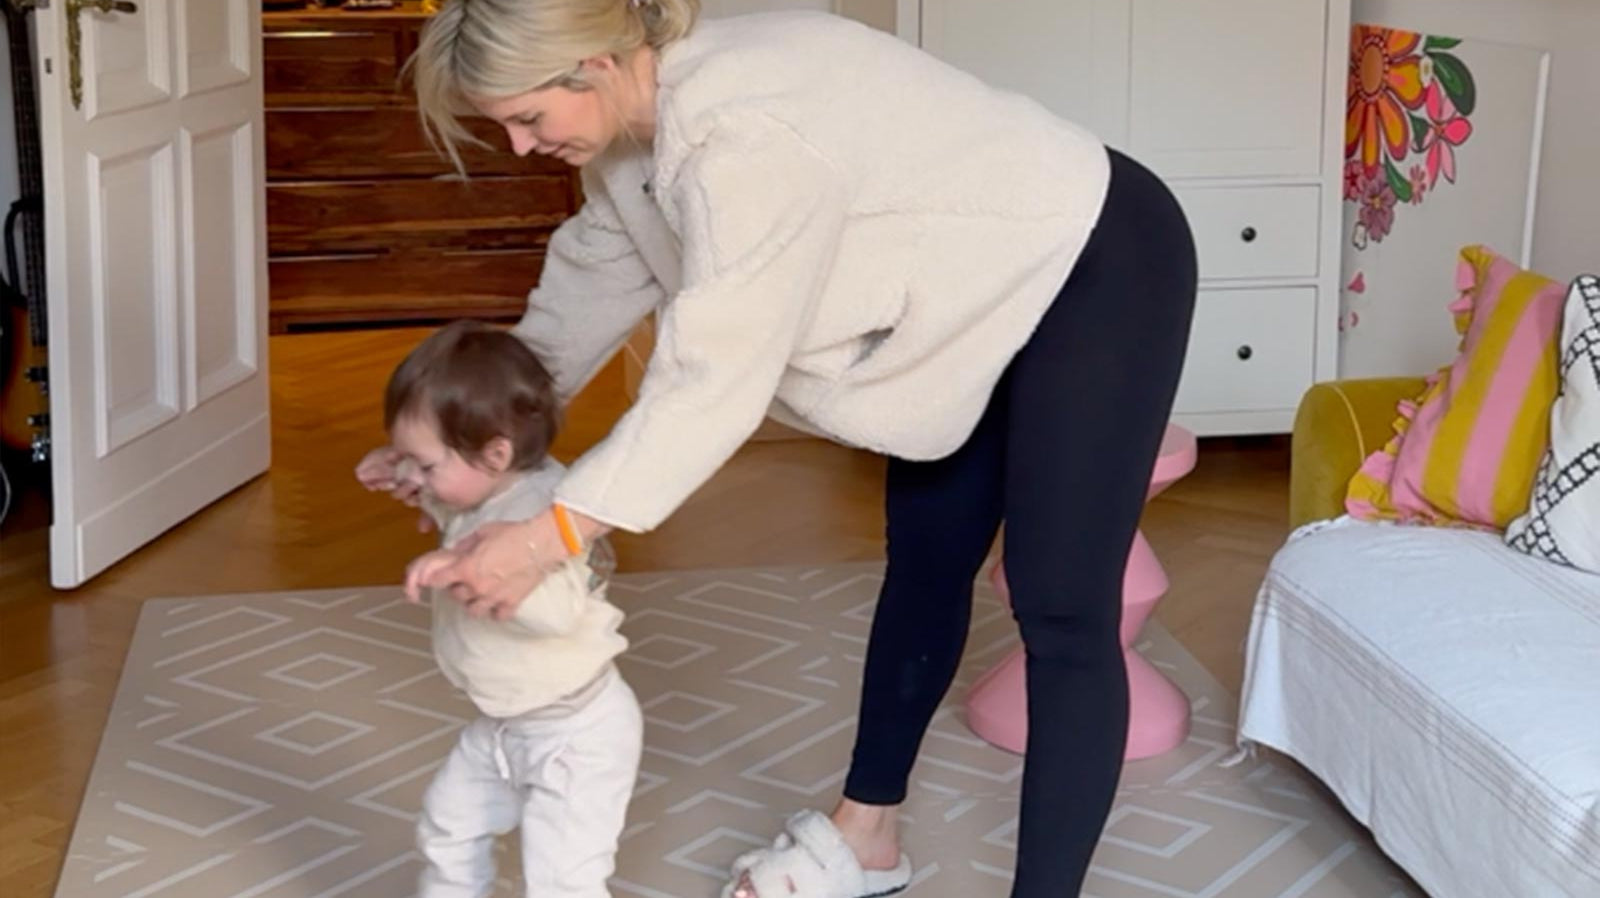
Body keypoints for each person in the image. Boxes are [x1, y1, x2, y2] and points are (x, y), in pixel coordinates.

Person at [369, 1, 1200, 895]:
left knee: (1062, 605)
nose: (524, 147)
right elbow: (560, 330)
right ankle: (868, 838)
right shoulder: (624, 149)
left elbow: (713, 377)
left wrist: (545, 537)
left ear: (596, 66)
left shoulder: (744, 133)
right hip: (963, 298)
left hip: (1092, 257)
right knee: (926, 560)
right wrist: (449, 449)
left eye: (529, 119)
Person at [358, 321, 642, 898]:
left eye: (425, 464)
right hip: (505, 724)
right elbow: (461, 512)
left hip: (577, 735)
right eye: (406, 458)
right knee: (448, 827)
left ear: (496, 453)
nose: (416, 476)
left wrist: (462, 567)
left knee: (562, 878)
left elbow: (559, 610)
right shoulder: (489, 486)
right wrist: (411, 479)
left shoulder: (548, 515)